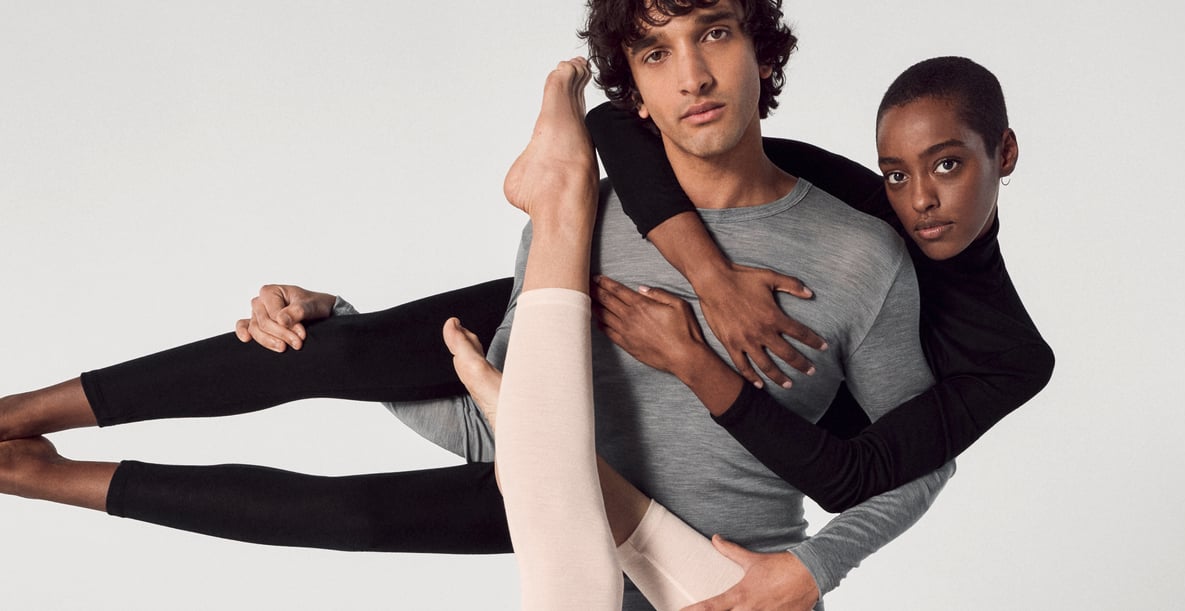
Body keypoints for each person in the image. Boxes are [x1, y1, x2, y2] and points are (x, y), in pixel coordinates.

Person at [0, 1, 950, 608]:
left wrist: (811, 568)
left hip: (728, 577)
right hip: (551, 502)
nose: (693, 75)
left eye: (713, 32)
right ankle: (26, 438)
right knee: (339, 431)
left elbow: (920, 458)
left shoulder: (859, 252)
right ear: (633, 89)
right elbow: (505, 416)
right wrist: (351, 332)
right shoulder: (605, 224)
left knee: (372, 495)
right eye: (656, 53)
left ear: (760, 42)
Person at [586, 55, 1055, 512]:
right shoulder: (863, 204)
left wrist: (690, 361)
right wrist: (714, 280)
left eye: (947, 164)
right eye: (896, 173)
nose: (919, 199)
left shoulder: (1012, 358)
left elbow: (849, 480)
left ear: (1006, 152)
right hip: (569, 342)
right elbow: (617, 121)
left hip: (689, 487)